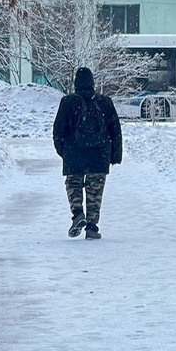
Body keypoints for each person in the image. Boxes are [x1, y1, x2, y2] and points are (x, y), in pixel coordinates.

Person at [53, 67, 123, 240]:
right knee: (95, 190)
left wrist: (63, 151)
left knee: (74, 184)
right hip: (99, 154)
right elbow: (116, 130)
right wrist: (115, 155)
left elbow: (58, 130)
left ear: (76, 84)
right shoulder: (104, 102)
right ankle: (92, 226)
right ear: (93, 83)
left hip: (73, 152)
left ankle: (77, 214)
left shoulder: (68, 102)